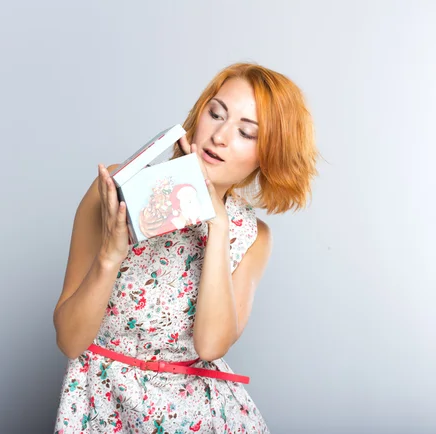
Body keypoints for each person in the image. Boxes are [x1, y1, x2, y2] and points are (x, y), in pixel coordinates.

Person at [52, 62, 318, 433]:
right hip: (102, 407)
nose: (220, 136)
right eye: (216, 114)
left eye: (246, 132)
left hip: (197, 416)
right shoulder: (119, 188)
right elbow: (69, 340)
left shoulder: (252, 236)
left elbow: (210, 347)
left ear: (268, 156)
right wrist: (110, 256)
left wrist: (218, 227)